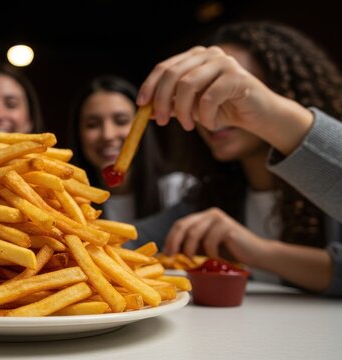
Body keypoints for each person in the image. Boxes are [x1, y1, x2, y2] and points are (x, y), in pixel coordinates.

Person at [132, 21, 342, 295]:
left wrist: (258, 251)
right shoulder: (210, 196)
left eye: (230, 91)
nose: (211, 111)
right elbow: (127, 240)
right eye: (201, 96)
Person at [68, 75, 192, 221]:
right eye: (92, 124)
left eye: (121, 121)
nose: (108, 135)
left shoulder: (179, 190)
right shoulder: (66, 202)